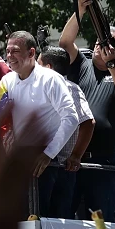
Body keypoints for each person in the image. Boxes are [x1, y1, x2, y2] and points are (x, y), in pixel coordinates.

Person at [59, 0, 115, 222]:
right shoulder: (81, 63)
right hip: (72, 156)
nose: (99, 45)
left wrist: (112, 63)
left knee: (102, 224)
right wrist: (81, 9)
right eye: (98, 40)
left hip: (103, 162)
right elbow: (64, 42)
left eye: (107, 42)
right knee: (64, 216)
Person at [0, 31, 79, 217]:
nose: (9, 56)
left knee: (38, 222)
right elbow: (1, 118)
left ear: (31, 52)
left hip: (41, 163)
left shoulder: (50, 79)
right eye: (8, 51)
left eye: (15, 51)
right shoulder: (6, 81)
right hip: (16, 159)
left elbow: (71, 118)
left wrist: (48, 153)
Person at [37, 46, 96, 218]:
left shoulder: (69, 88)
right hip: (47, 167)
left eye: (37, 64)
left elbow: (88, 122)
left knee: (51, 221)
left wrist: (76, 155)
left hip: (61, 168)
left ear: (48, 68)